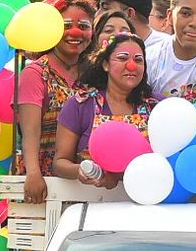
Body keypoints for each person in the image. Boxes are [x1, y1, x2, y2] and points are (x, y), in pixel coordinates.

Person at [16, 0, 96, 203]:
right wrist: (33, 173)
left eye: (83, 26)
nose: (75, 33)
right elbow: (30, 130)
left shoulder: (93, 74)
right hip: (46, 183)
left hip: (86, 181)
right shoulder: (35, 73)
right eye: (66, 26)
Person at [53, 31, 158, 188]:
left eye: (138, 60)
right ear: (105, 64)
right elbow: (60, 162)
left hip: (145, 198)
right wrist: (81, 171)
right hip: (90, 199)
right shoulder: (80, 104)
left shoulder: (156, 106)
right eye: (122, 58)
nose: (131, 65)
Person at [85, 0, 154, 39]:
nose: (97, 14)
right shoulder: (105, 44)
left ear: (129, 14)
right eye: (98, 7)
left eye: (105, 7)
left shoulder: (159, 47)